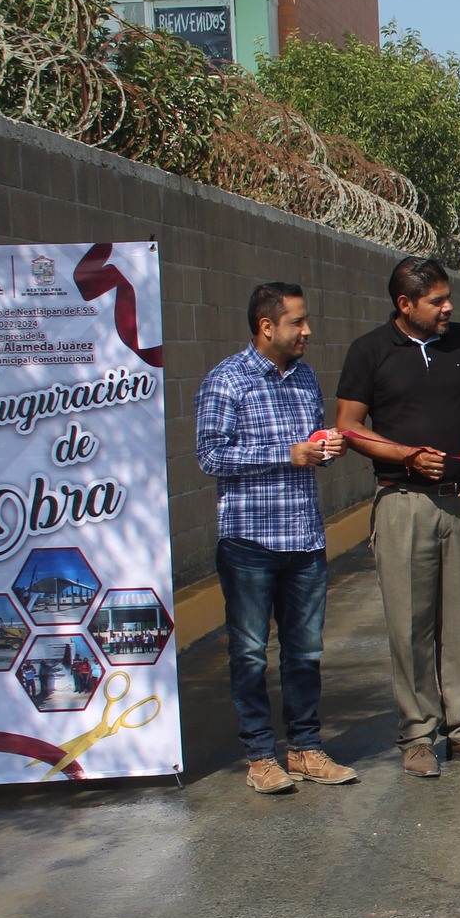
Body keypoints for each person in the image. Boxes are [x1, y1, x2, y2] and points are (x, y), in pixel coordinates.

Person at [335, 256, 460, 778]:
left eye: (447, 298)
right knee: (410, 626)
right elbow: (349, 426)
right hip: (403, 502)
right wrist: (403, 454)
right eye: (436, 301)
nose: (448, 308)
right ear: (405, 305)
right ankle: (417, 735)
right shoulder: (369, 351)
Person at [196, 282, 360, 794]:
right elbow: (211, 456)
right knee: (248, 652)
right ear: (267, 327)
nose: (307, 331)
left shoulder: (306, 377)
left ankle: (306, 748)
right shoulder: (227, 381)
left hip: (304, 539)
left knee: (305, 652)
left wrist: (325, 446)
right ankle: (260, 756)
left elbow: (308, 444)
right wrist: (284, 454)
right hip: (249, 541)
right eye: (297, 322)